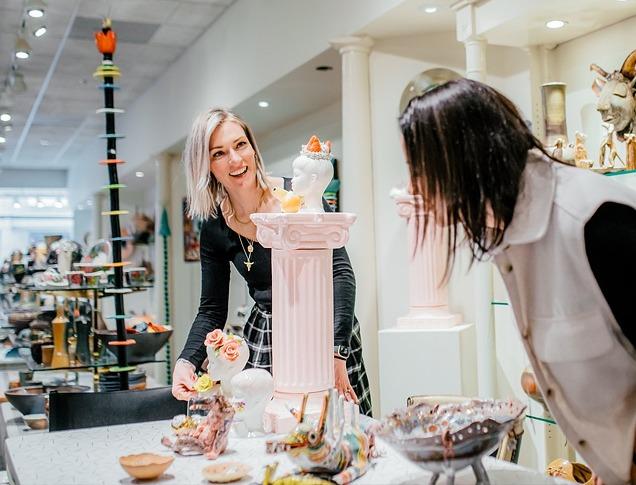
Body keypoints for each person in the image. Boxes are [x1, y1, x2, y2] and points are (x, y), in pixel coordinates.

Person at [399, 78, 636, 485]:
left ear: (463, 158)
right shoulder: (509, 234)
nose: (413, 188)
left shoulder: (593, 221)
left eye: (418, 170)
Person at [172, 108, 371, 416]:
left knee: (337, 432)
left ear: (252, 146)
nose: (236, 160)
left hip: (327, 331)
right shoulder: (214, 225)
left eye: (240, 145)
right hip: (266, 333)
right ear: (206, 166)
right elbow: (211, 309)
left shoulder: (301, 195)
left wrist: (336, 351)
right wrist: (186, 362)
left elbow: (340, 273)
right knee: (271, 429)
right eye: (219, 153)